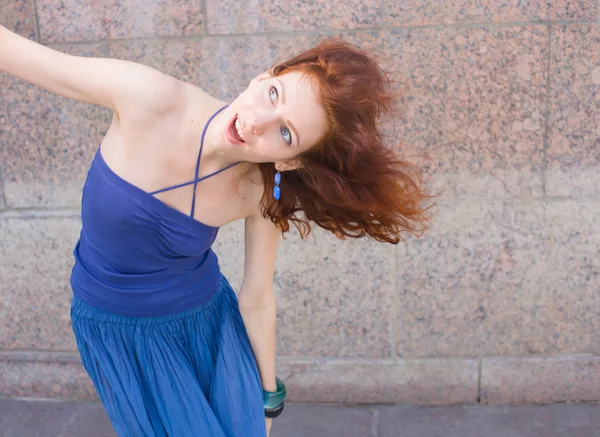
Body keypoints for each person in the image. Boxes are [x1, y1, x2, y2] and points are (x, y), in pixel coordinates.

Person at [0, 25, 432, 437]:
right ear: (265, 75)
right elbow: (20, 55)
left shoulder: (259, 188)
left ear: (291, 160)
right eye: (273, 94)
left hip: (208, 335)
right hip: (113, 332)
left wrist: (267, 398)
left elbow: (258, 297)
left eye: (285, 133)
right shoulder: (148, 98)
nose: (257, 122)